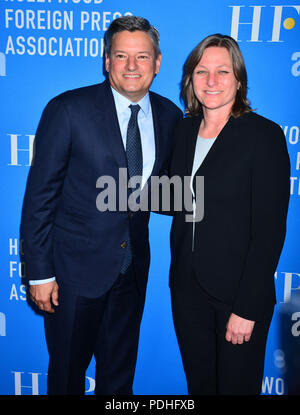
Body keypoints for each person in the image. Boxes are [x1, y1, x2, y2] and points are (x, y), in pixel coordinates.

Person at [20, 15, 182, 395]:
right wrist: (40, 274)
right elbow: (40, 198)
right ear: (106, 60)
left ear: (157, 63)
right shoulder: (67, 110)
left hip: (131, 275)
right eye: (121, 55)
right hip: (72, 277)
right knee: (66, 377)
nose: (131, 66)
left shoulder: (169, 116)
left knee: (119, 380)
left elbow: (158, 191)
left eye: (142, 57)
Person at [169, 34, 290, 395]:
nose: (211, 81)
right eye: (202, 71)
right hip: (186, 289)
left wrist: (247, 308)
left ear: (239, 79)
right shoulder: (184, 130)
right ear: (190, 78)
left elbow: (269, 231)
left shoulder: (263, 135)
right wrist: (110, 191)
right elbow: (178, 197)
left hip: (237, 295)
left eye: (222, 71)